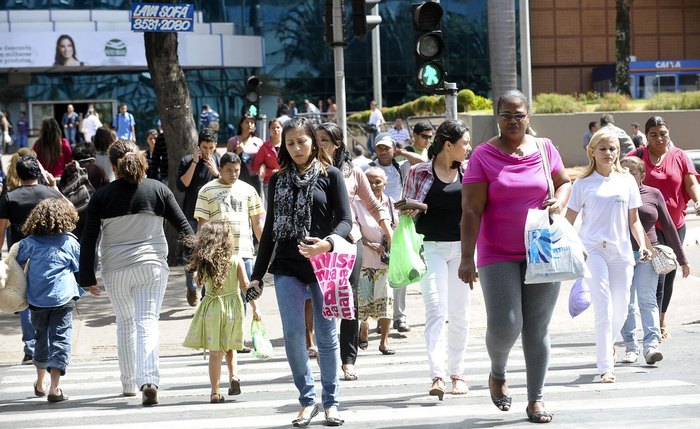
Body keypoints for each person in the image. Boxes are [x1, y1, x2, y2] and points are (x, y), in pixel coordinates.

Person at [459, 90, 571, 423]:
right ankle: (498, 371)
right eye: (506, 115)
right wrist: (467, 257)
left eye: (518, 115)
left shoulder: (544, 148)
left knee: (537, 328)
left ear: (528, 116)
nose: (513, 121)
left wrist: (561, 200)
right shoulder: (483, 155)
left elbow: (564, 182)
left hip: (541, 248)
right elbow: (471, 209)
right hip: (496, 252)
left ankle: (536, 399)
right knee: (507, 325)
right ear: (497, 117)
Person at [249, 116, 352, 427]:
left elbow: (346, 221)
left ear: (314, 142)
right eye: (290, 143)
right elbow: (268, 232)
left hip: (325, 265)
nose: (296, 147)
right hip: (287, 267)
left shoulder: (331, 175)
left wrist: (328, 244)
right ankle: (307, 400)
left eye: (302, 141)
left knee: (326, 337)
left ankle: (331, 401)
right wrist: (257, 274)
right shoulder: (277, 180)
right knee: (294, 336)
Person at [80, 140, 193, 405]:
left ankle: (129, 383)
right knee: (147, 322)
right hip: (151, 267)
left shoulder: (101, 196)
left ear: (112, 165)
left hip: (115, 269)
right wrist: (201, 261)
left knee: (125, 323)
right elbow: (185, 229)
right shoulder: (158, 190)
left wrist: (87, 276)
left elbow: (89, 238)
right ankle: (149, 380)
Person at [565, 128, 651, 385]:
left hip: (622, 252)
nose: (608, 153)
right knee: (603, 307)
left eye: (612, 149)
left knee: (622, 308)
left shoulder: (626, 181)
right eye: (602, 148)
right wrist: (573, 247)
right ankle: (605, 366)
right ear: (592, 151)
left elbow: (633, 220)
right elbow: (569, 221)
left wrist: (643, 245)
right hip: (593, 251)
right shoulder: (581, 183)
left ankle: (608, 346)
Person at [316, 122, 392, 381]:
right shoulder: (308, 171)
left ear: (337, 144)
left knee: (350, 299)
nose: (319, 145)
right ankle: (325, 352)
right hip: (319, 244)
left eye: (324, 140)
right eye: (317, 139)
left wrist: (388, 231)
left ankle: (348, 360)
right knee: (322, 299)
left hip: (350, 240)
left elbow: (373, 204)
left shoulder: (353, 173)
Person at [402, 119, 472, 400]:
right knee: (435, 310)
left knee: (459, 314)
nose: (468, 148)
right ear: (447, 145)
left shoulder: (469, 172)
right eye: (464, 143)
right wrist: (413, 208)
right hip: (430, 248)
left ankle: (457, 373)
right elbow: (405, 210)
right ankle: (438, 375)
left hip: (463, 250)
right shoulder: (419, 172)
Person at [17, 198, 100, 402]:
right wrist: (89, 284)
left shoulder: (29, 243)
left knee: (40, 338)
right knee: (60, 339)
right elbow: (81, 267)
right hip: (62, 299)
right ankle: (55, 388)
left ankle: (40, 382)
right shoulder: (69, 242)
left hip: (36, 300)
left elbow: (16, 264)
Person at [626, 116, 700, 339]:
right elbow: (617, 174)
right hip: (647, 226)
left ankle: (661, 317)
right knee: (654, 275)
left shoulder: (679, 156)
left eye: (663, 133)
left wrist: (697, 200)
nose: (659, 138)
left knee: (668, 273)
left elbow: (690, 181)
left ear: (669, 133)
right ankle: (654, 323)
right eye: (654, 134)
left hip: (674, 224)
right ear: (646, 136)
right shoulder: (637, 156)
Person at [618, 157, 689, 366]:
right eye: (623, 171)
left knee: (647, 300)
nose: (627, 175)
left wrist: (682, 258)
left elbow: (668, 225)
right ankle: (631, 347)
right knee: (626, 304)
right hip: (621, 256)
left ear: (642, 174)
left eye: (632, 172)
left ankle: (651, 346)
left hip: (647, 255)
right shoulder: (614, 195)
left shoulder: (653, 194)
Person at [0, 154, 64, 366]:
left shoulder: (9, 197)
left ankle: (31, 347)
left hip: (21, 253)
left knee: (23, 300)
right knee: (46, 298)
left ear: (18, 174)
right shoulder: (49, 194)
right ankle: (46, 344)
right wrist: (54, 186)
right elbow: (70, 214)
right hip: (48, 253)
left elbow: (0, 231)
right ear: (39, 173)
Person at [182, 221, 252, 403]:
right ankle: (234, 376)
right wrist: (256, 308)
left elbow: (199, 282)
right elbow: (245, 286)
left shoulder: (206, 263)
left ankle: (215, 392)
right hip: (233, 309)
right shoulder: (236, 260)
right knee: (230, 346)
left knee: (215, 353)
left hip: (212, 308)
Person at [363, 133, 409, 333]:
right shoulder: (367, 168)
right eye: (379, 147)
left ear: (393, 149)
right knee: (372, 274)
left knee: (398, 272)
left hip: (397, 223)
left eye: (387, 148)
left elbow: (424, 160)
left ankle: (398, 316)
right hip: (372, 225)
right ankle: (376, 319)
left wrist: (401, 152)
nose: (383, 151)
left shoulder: (402, 166)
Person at [177, 129, 222, 307]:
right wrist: (195, 162)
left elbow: (225, 185)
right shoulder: (187, 161)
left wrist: (216, 172)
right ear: (198, 146)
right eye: (205, 147)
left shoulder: (217, 161)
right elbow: (182, 185)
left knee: (209, 253)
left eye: (211, 147)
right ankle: (191, 286)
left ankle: (205, 294)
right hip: (191, 213)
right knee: (190, 252)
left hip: (212, 216)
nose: (208, 151)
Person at [356, 167, 397, 355]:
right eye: (369, 181)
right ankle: (363, 328)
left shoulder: (390, 204)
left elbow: (396, 229)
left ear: (385, 183)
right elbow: (352, 230)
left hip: (385, 263)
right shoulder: (356, 204)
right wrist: (369, 243)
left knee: (386, 302)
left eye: (377, 182)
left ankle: (384, 341)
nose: (373, 186)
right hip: (364, 262)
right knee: (364, 302)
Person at [59, 142, 110, 238]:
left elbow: (61, 191)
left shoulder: (68, 170)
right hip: (94, 214)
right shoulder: (97, 169)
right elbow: (106, 191)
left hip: (73, 215)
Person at [227, 114, 264, 199]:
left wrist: (263, 166)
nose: (250, 124)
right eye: (247, 122)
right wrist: (236, 152)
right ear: (241, 124)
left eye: (252, 122)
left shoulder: (258, 141)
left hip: (255, 178)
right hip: (239, 178)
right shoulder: (233, 141)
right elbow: (226, 161)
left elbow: (263, 159)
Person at [252, 118, 282, 203]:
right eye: (273, 128)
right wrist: (269, 171)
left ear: (282, 128)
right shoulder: (264, 147)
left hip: (286, 181)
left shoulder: (287, 145)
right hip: (270, 182)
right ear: (269, 130)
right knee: (272, 210)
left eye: (278, 127)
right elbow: (256, 166)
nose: (276, 130)